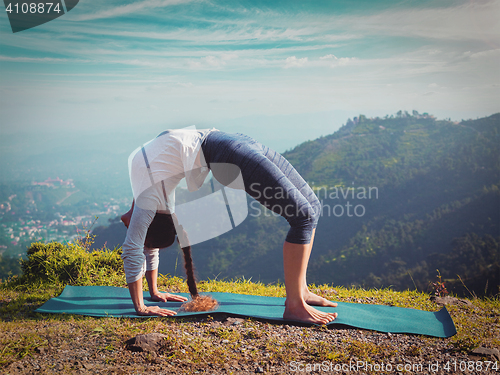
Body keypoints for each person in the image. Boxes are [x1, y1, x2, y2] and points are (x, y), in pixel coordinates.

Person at [121, 128, 338, 324]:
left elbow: (133, 247)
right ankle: (296, 302)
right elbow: (144, 245)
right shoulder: (152, 194)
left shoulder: (149, 197)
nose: (126, 223)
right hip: (230, 143)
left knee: (311, 209)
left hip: (232, 149)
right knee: (305, 214)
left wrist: (141, 306)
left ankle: (298, 296)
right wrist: (154, 291)